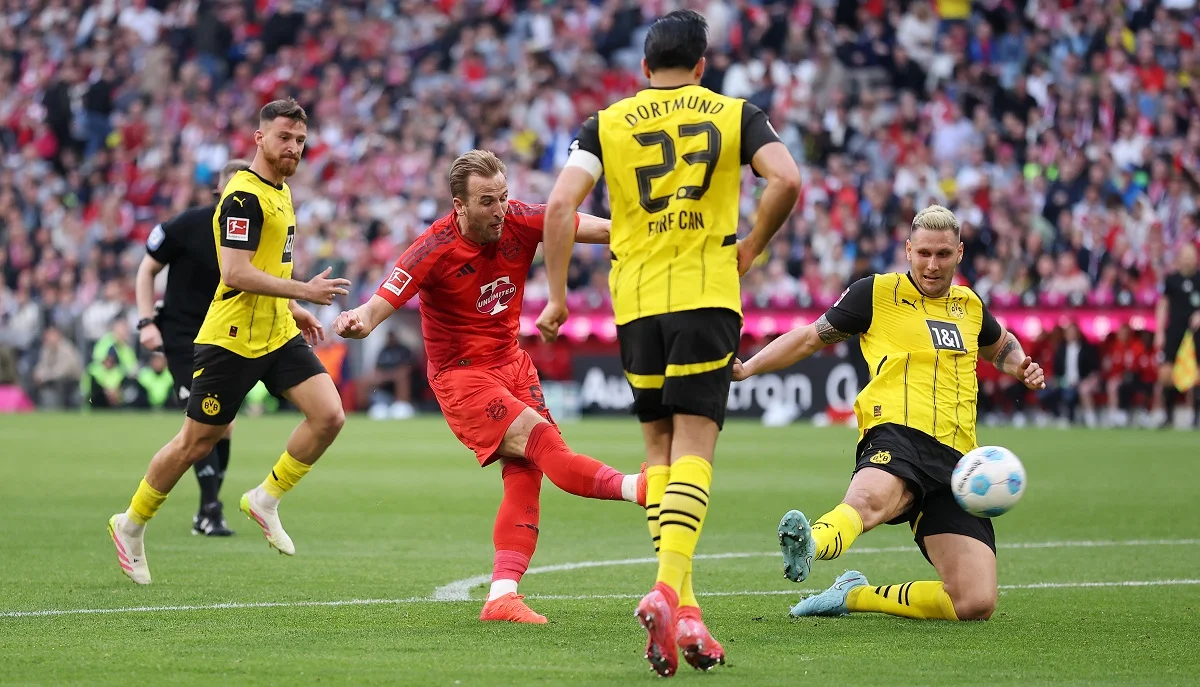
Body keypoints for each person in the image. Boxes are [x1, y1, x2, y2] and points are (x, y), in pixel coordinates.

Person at [534, 9, 801, 677]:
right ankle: (666, 590)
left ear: (643, 68)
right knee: (695, 449)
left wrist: (560, 296)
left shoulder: (607, 122)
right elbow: (788, 179)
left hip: (636, 303)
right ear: (703, 66)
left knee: (658, 453)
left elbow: (560, 206)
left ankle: (685, 607)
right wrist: (753, 245)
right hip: (705, 292)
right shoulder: (735, 113)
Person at [333, 150, 647, 624]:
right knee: (546, 448)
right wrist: (358, 320)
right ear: (458, 205)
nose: (499, 209)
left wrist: (649, 234)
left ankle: (502, 595)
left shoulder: (519, 218)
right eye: (486, 201)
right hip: (462, 377)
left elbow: (587, 226)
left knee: (527, 474)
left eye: (502, 196)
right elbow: (380, 302)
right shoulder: (432, 247)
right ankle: (642, 489)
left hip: (513, 364)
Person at [733, 205, 1045, 623]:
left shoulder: (968, 306)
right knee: (869, 500)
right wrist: (748, 367)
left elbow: (1000, 346)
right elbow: (809, 338)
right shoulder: (877, 293)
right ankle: (812, 543)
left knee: (974, 603)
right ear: (908, 250)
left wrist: (1021, 365)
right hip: (896, 431)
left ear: (960, 254)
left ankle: (854, 595)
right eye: (924, 254)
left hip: (958, 463)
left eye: (943, 255)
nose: (932, 265)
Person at [108, 98, 352, 585]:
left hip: (275, 332)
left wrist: (294, 307)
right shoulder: (242, 196)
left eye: (301, 140)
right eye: (284, 137)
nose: (294, 148)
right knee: (195, 443)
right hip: (232, 338)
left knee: (329, 415)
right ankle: (130, 523)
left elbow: (269, 265)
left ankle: (265, 498)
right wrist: (304, 289)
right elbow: (236, 272)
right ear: (259, 138)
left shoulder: (281, 191)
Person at [135, 158, 250, 536]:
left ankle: (206, 511)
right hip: (184, 336)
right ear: (220, 190)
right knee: (208, 422)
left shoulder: (251, 232)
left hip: (226, 336)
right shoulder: (187, 225)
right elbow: (147, 268)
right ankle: (210, 511)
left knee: (225, 426)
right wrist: (146, 321)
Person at [1153, 243, 1199, 428]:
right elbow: (1162, 306)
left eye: (1191, 255)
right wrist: (1159, 332)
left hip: (1196, 333)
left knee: (1196, 374)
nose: (1187, 259)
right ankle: (1168, 415)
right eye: (1184, 255)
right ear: (1179, 258)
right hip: (1175, 331)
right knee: (1166, 373)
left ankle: (1195, 417)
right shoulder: (1171, 280)